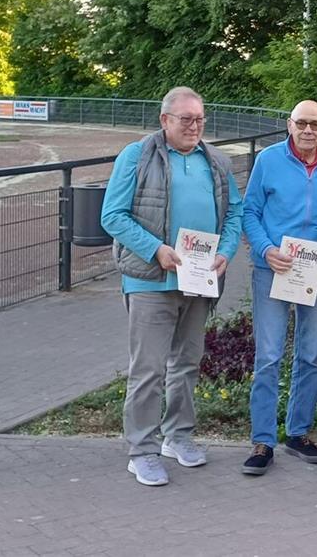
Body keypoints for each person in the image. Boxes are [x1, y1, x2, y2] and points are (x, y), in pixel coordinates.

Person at [101, 86, 243, 487]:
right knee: (147, 369)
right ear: (165, 120)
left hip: (200, 278)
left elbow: (235, 212)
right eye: (186, 120)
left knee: (186, 363)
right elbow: (112, 215)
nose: (195, 127)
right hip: (150, 280)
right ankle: (141, 451)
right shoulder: (137, 155)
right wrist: (156, 250)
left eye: (200, 119)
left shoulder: (215, 160)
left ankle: (177, 437)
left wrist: (226, 252)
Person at [239, 100, 317, 475]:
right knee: (269, 355)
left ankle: (298, 433)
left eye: (314, 124)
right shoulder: (268, 161)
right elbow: (249, 212)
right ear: (289, 124)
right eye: (301, 122)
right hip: (272, 268)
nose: (307, 130)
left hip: (316, 270)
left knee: (310, 353)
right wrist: (266, 250)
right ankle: (262, 440)